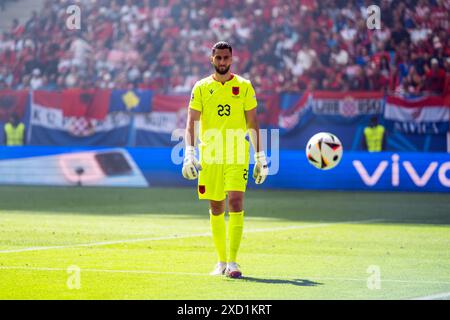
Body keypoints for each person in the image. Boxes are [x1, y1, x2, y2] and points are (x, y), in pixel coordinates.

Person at [182, 41, 268, 278]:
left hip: (238, 154)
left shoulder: (244, 86)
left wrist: (260, 157)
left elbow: (253, 123)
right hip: (210, 155)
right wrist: (189, 154)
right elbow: (192, 123)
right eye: (218, 58)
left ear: (232, 59)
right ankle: (220, 262)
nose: (222, 62)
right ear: (212, 59)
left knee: (236, 202)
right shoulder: (200, 87)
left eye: (226, 58)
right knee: (216, 206)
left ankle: (233, 262)